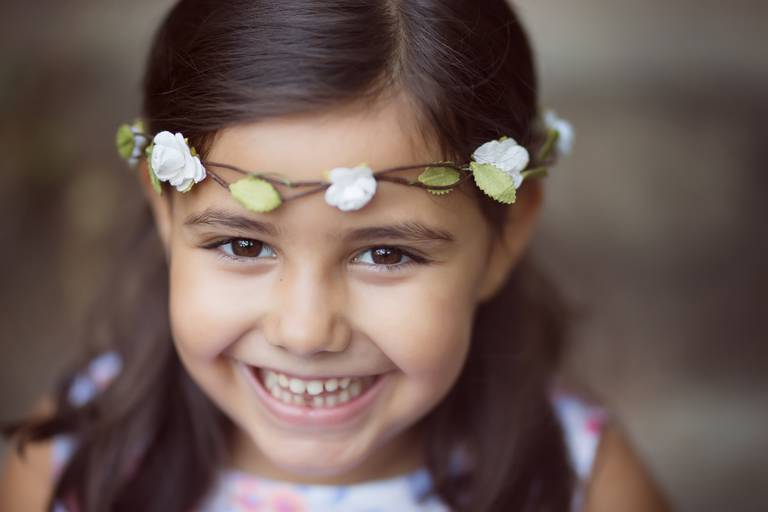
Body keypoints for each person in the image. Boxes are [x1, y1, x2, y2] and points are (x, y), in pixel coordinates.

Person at [0, 1, 670, 510]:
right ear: (165, 214)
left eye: (385, 254)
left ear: (506, 236)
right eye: (242, 243)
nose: (306, 330)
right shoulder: (72, 466)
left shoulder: (581, 484)